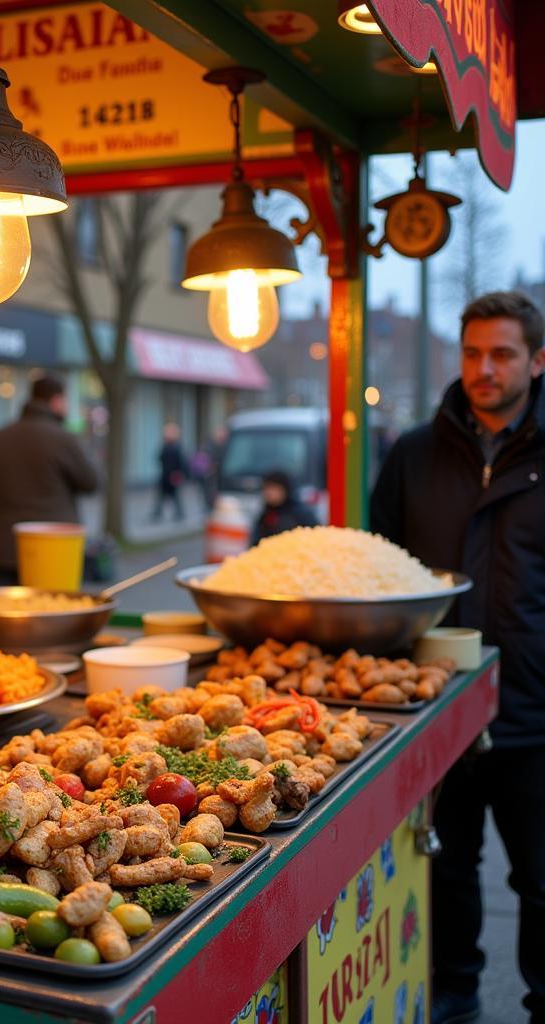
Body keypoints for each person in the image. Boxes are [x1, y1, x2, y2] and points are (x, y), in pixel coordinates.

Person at [370, 291, 545, 1024]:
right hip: (438, 707)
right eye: (472, 353)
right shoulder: (415, 451)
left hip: (536, 710)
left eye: (502, 353)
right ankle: (456, 990)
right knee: (449, 864)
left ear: (537, 360)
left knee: (542, 882)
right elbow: (377, 571)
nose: (484, 368)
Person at [0, 373, 98, 585]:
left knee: (7, 613)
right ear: (56, 400)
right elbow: (91, 482)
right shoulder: (63, 439)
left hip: (5, 546)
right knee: (52, 613)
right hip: (54, 548)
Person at [250, 470, 317, 545]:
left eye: (274, 489)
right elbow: (256, 543)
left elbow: (316, 538)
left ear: (285, 490)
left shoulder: (301, 514)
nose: (269, 493)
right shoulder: (265, 513)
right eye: (267, 488)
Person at [153, 422, 189, 521]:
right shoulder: (165, 446)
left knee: (175, 496)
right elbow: (159, 458)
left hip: (173, 476)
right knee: (162, 496)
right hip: (165, 476)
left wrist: (179, 473)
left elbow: (181, 462)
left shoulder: (177, 447)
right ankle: (157, 513)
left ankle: (179, 513)